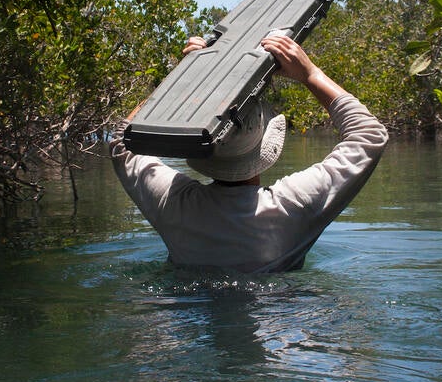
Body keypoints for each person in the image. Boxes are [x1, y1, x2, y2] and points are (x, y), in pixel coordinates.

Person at [110, 35, 388, 273]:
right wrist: (310, 74)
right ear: (266, 142)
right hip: (280, 312)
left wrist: (185, 78)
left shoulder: (173, 203)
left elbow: (122, 141)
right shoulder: (293, 205)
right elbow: (369, 135)